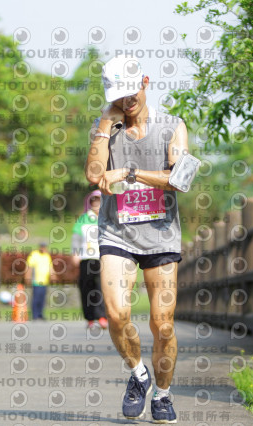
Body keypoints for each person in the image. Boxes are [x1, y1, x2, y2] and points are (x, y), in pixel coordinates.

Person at [85, 53, 188, 424]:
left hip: (161, 235)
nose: (126, 100)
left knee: (163, 324)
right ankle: (138, 374)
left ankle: (162, 395)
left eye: (131, 91)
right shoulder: (106, 127)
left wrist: (129, 173)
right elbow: (94, 173)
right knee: (116, 314)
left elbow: (180, 178)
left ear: (145, 83)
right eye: (118, 95)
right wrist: (104, 123)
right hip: (118, 232)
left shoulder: (172, 126)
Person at [71, 190, 108, 329]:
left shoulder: (107, 217)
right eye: (94, 200)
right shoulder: (83, 218)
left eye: (99, 200)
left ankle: (102, 316)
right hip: (86, 258)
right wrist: (75, 253)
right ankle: (90, 318)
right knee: (86, 287)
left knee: (101, 287)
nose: (96, 203)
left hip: (102, 258)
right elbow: (76, 238)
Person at [25, 242, 53, 320]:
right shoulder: (34, 255)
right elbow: (29, 267)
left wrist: (53, 275)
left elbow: (50, 267)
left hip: (45, 281)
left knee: (42, 299)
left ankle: (40, 314)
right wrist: (27, 277)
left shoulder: (47, 256)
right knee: (36, 298)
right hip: (36, 281)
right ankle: (35, 315)